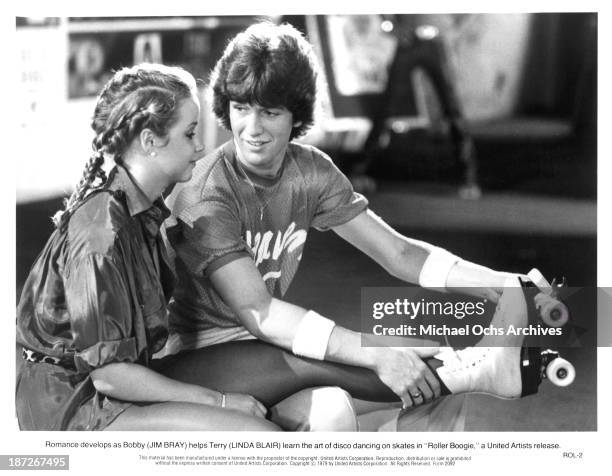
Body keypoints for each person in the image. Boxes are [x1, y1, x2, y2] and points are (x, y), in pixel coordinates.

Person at [159, 22, 548, 430]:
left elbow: (399, 253)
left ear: (296, 114)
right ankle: (476, 371)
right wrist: (375, 354)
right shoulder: (206, 193)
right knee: (436, 371)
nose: (252, 129)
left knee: (426, 369)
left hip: (268, 350)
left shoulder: (309, 171)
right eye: (241, 109)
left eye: (270, 112)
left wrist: (500, 283)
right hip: (196, 364)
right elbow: (261, 311)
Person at [15, 63, 286, 431]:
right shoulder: (100, 234)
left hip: (127, 373)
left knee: (283, 363)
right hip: (75, 404)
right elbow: (109, 376)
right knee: (259, 435)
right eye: (190, 133)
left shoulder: (141, 209)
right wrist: (220, 402)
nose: (201, 145)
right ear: (149, 141)